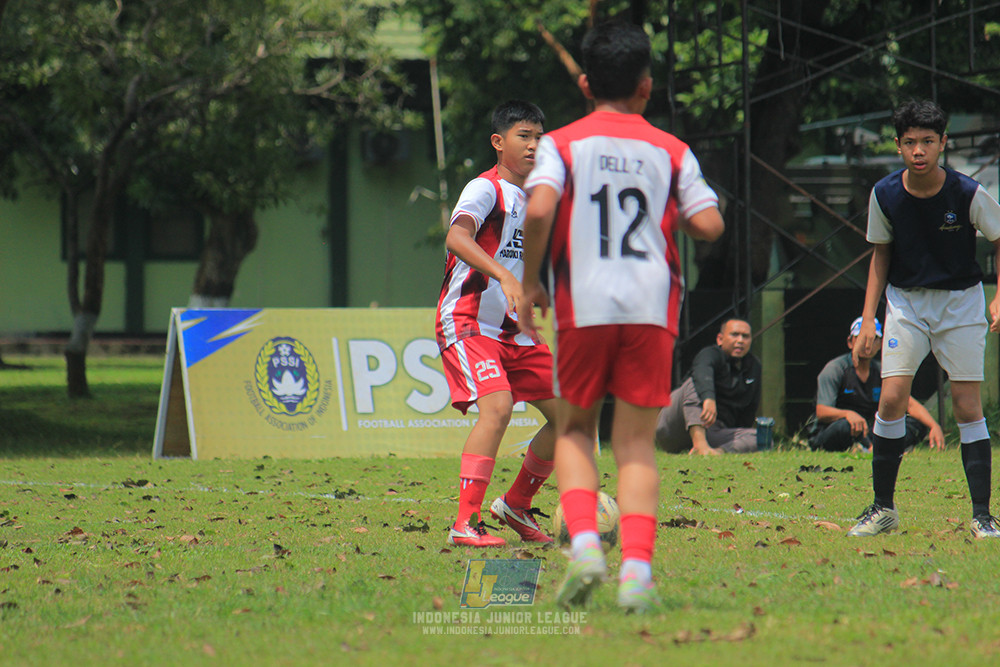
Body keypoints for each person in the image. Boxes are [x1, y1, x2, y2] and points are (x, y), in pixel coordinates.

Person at [515, 21, 725, 612]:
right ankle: (636, 573)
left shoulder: (561, 144)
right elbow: (710, 225)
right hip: (651, 306)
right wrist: (670, 211)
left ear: (584, 83)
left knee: (577, 430)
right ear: (646, 86)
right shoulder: (671, 149)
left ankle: (584, 546)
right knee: (635, 445)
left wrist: (530, 283)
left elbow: (538, 211)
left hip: (584, 305)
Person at [847, 99, 1000, 538]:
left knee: (966, 406)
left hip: (960, 304)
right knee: (891, 399)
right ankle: (883, 509)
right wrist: (869, 319)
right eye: (910, 142)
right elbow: (881, 254)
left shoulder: (967, 192)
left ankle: (982, 516)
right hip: (907, 303)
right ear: (898, 146)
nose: (919, 150)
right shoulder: (885, 194)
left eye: (928, 142)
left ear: (942, 144)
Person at [435, 100, 558, 548]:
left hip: (514, 329)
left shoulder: (541, 200)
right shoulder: (483, 188)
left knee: (571, 418)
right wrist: (503, 274)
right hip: (468, 321)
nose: (533, 145)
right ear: (498, 142)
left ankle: (516, 505)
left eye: (539, 137)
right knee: (499, 408)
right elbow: (457, 236)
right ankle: (465, 522)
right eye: (524, 136)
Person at [808, 316, 944, 453]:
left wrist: (934, 426)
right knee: (845, 426)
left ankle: (877, 448)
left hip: (869, 431)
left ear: (880, 344)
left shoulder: (882, 371)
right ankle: (864, 447)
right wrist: (848, 414)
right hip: (836, 430)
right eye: (861, 337)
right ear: (850, 342)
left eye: (873, 339)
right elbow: (822, 411)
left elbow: (908, 403)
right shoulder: (835, 369)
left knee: (916, 424)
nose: (867, 343)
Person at [654, 318, 762, 455]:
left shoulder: (754, 366)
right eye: (735, 335)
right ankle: (700, 445)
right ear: (720, 339)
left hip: (714, 431)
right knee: (694, 383)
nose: (740, 340)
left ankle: (716, 452)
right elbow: (701, 373)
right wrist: (709, 398)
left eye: (745, 336)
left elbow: (750, 410)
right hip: (673, 428)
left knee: (763, 437)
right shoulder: (710, 354)